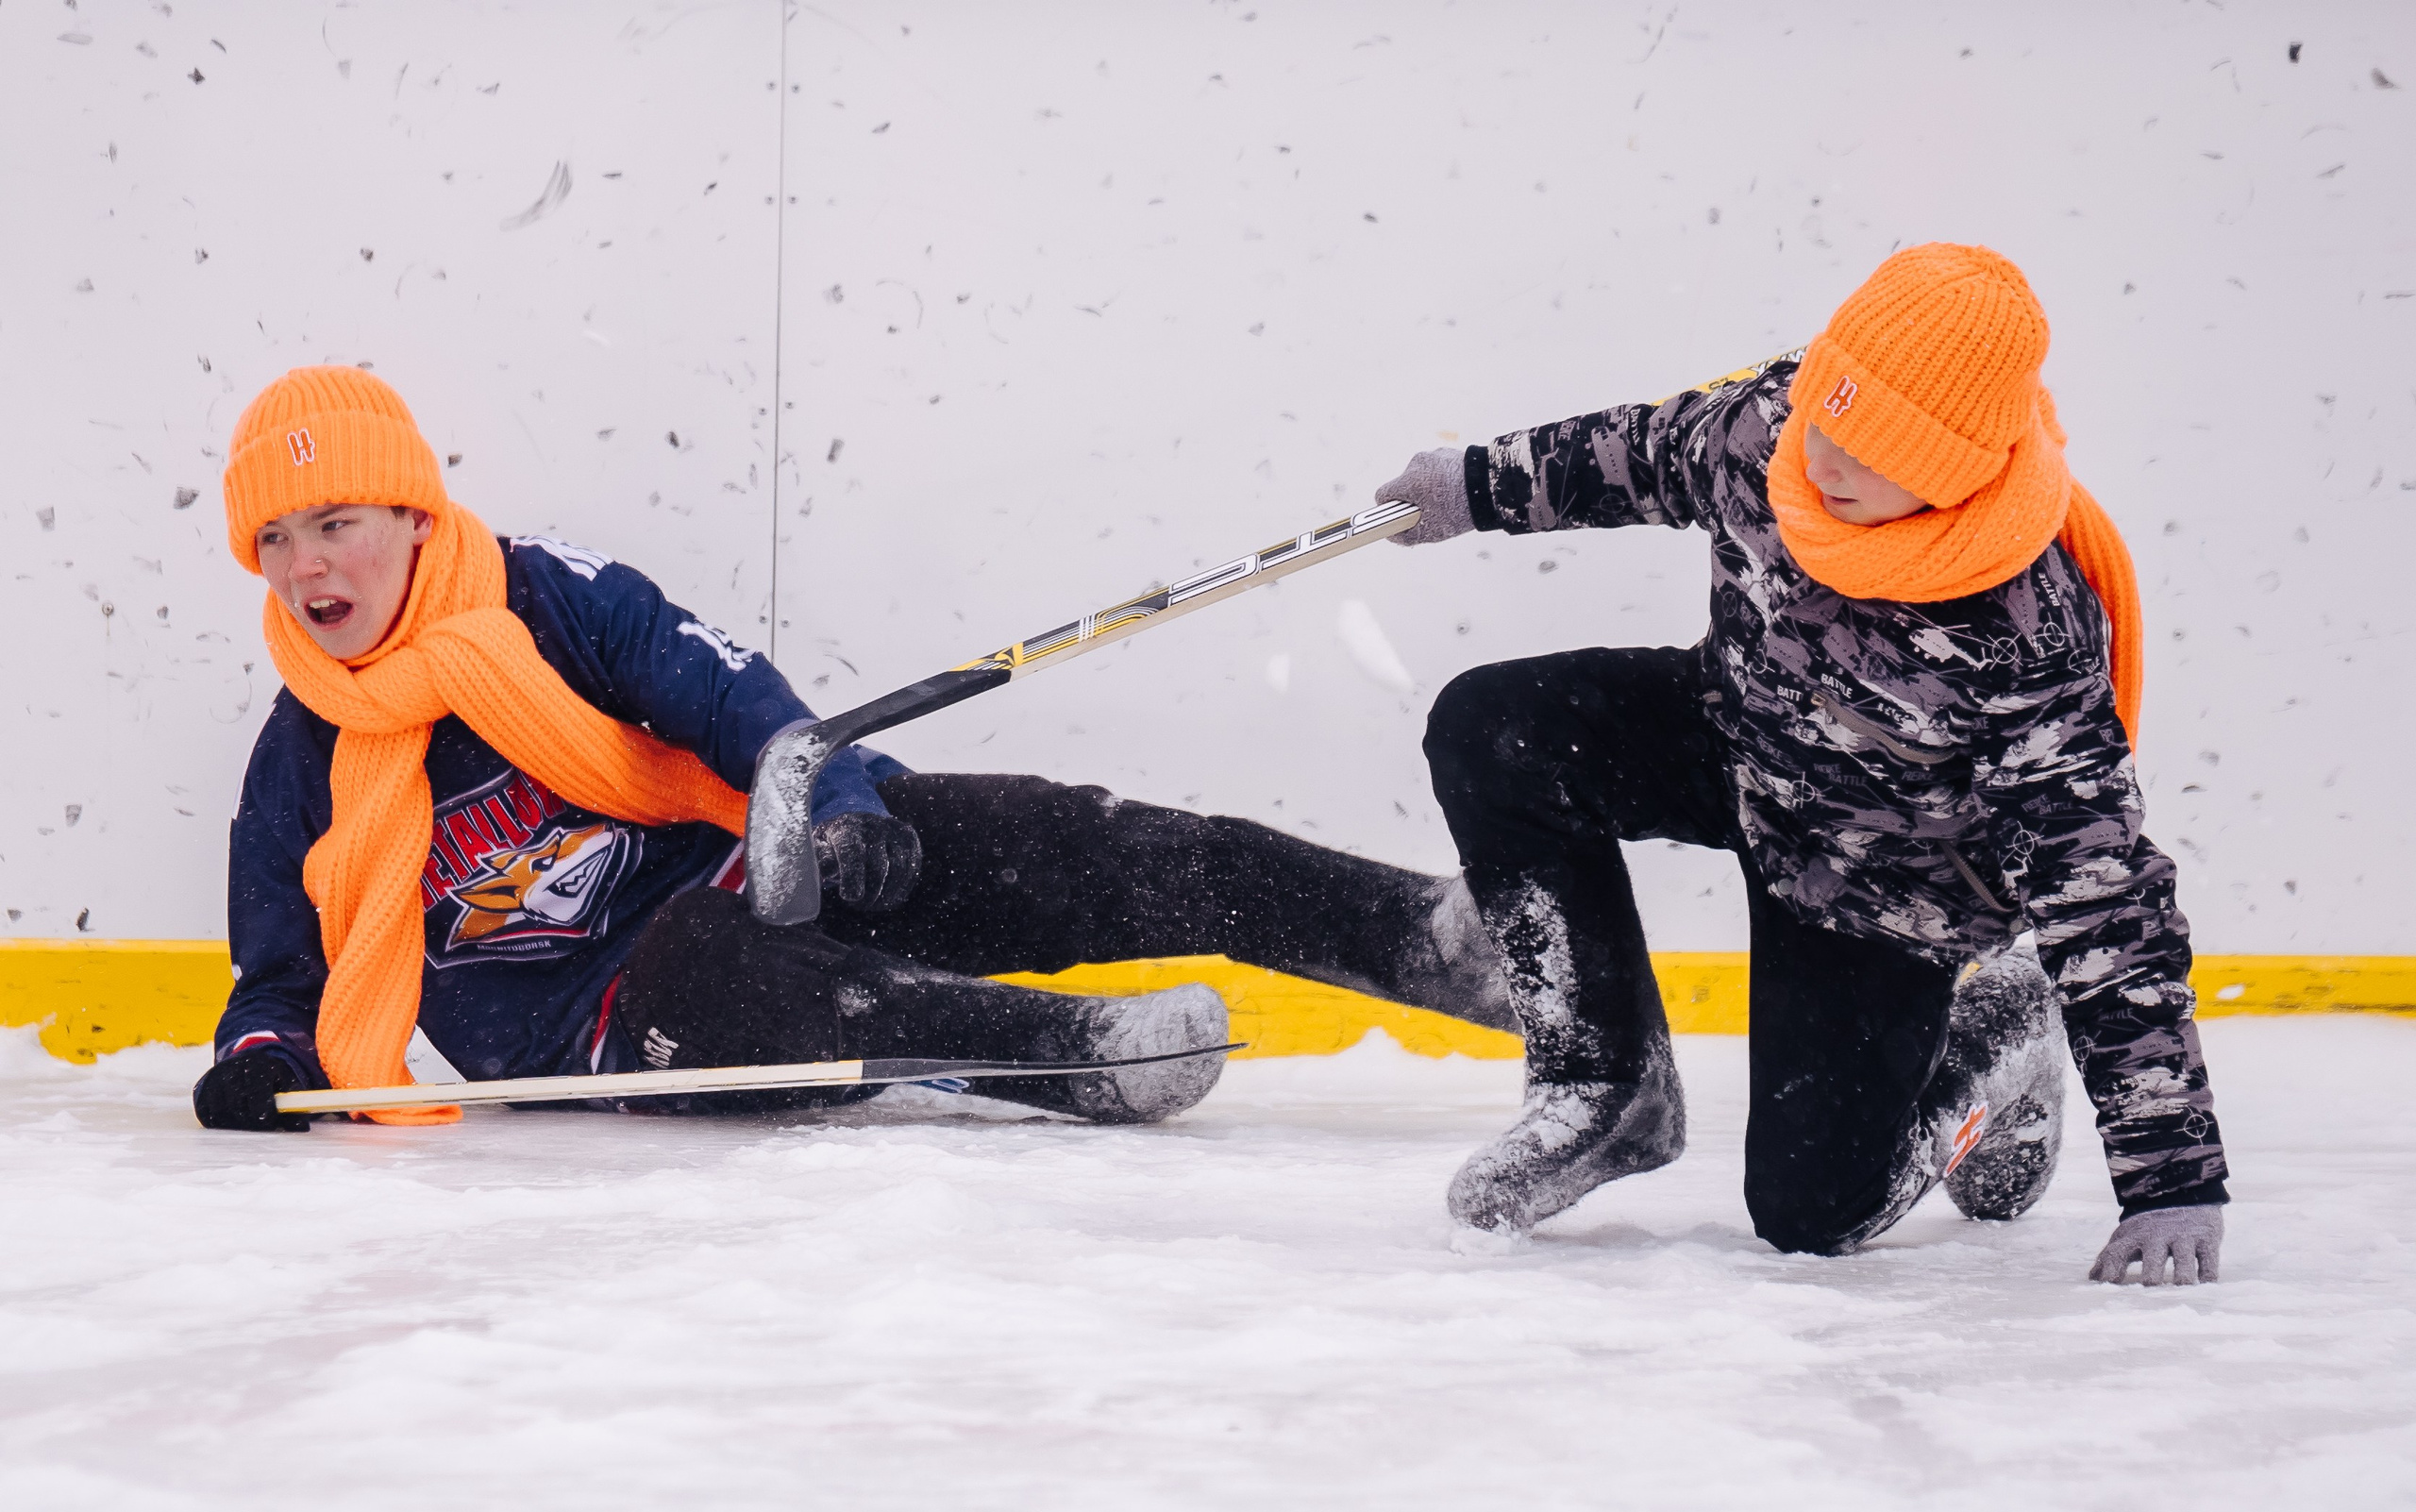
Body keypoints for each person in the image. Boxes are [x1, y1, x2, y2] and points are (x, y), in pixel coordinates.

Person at [196, 366, 1511, 1134]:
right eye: (279, 540)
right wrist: (260, 1063)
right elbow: (278, 975)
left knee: (1043, 835)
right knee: (717, 967)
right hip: (591, 1019)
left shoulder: (546, 599)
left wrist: (837, 801)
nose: (311, 565)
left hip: (734, 861)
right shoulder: (302, 755)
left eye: (339, 520)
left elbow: (726, 697)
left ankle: (1413, 931)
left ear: (415, 515)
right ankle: (1081, 1053)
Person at [1373, 244, 2228, 1285]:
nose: (1824, 461)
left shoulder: (2021, 627)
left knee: (1813, 1214)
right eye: (1826, 416)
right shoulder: (1775, 431)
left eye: (1874, 451)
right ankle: (1603, 1084)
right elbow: (1634, 452)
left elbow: (2106, 903)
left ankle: (1996, 1039)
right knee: (1493, 725)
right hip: (1741, 738)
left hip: (1887, 882)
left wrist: (2170, 1177)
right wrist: (1474, 486)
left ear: (1956, 467)